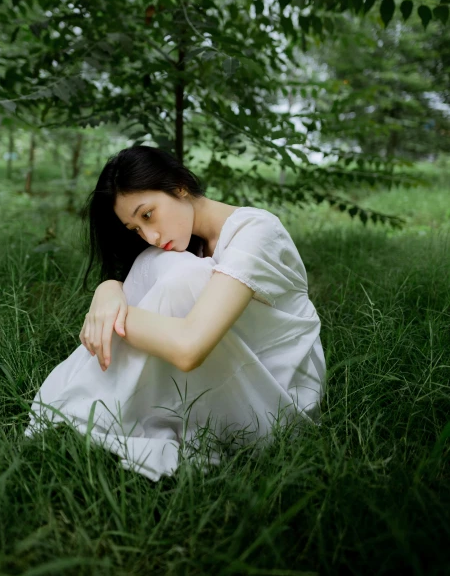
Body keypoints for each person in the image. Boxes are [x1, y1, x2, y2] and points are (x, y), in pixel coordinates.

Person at [24, 145, 326, 481]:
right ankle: (95, 406)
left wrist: (113, 314)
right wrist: (108, 289)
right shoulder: (184, 244)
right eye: (136, 228)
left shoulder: (256, 232)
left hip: (279, 403)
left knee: (179, 273)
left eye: (148, 214)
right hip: (236, 377)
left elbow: (187, 349)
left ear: (179, 186)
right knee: (158, 262)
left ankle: (98, 407)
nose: (149, 235)